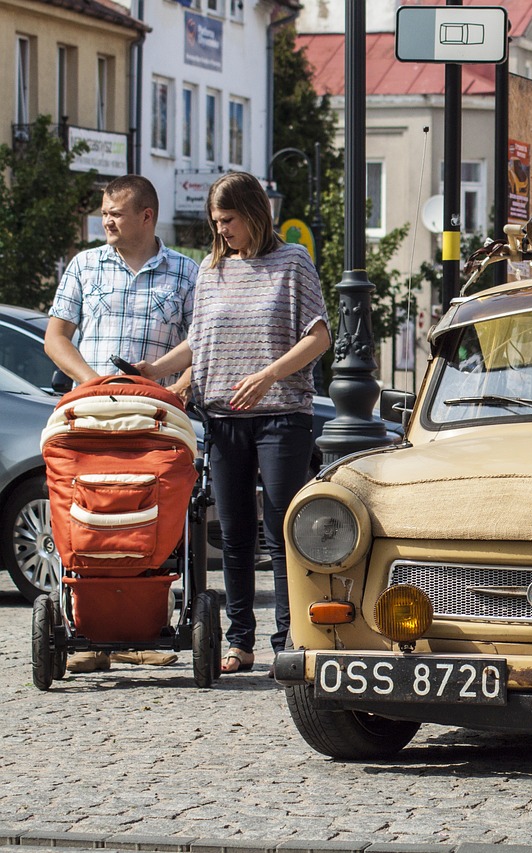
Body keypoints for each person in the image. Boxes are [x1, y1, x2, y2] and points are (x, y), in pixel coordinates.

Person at [141, 171, 330, 677]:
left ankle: (290, 639)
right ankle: (241, 643)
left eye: (227, 220)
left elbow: (319, 337)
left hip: (282, 416)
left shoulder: (292, 262)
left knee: (281, 530)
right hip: (222, 418)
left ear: (252, 213)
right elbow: (198, 343)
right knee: (235, 535)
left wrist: (269, 375)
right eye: (215, 222)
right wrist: (159, 373)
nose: (220, 230)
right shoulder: (212, 269)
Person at [45, 174, 199, 673]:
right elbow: (56, 338)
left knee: (149, 511)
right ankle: (87, 631)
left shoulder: (185, 273)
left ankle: (144, 629)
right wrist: (94, 383)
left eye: (115, 212)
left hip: (154, 421)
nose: (106, 220)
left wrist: (179, 388)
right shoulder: (84, 266)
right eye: (104, 212)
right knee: (88, 510)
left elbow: (205, 344)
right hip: (92, 417)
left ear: (147, 216)